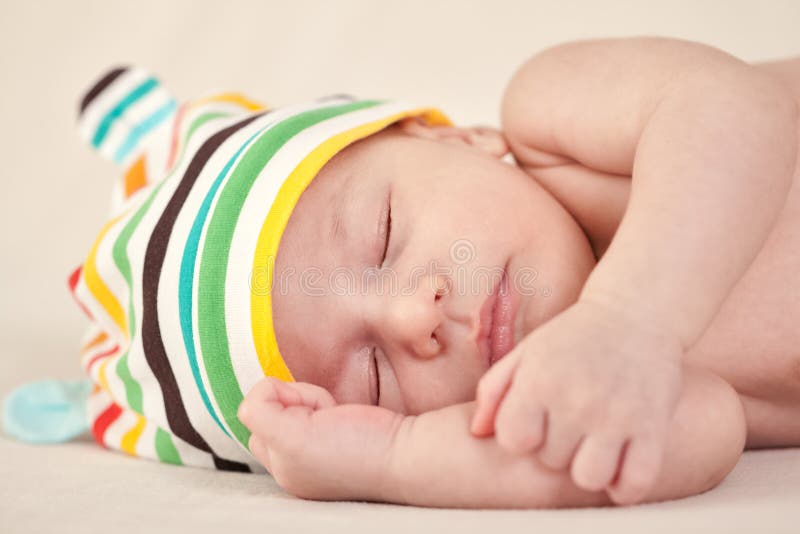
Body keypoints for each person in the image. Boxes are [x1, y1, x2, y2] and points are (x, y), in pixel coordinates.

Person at [58, 35, 799, 508]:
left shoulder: (550, 120)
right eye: (376, 377)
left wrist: (631, 317)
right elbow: (704, 434)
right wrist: (390, 461)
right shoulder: (627, 397)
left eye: (383, 237)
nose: (414, 318)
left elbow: (738, 110)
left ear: (456, 139)